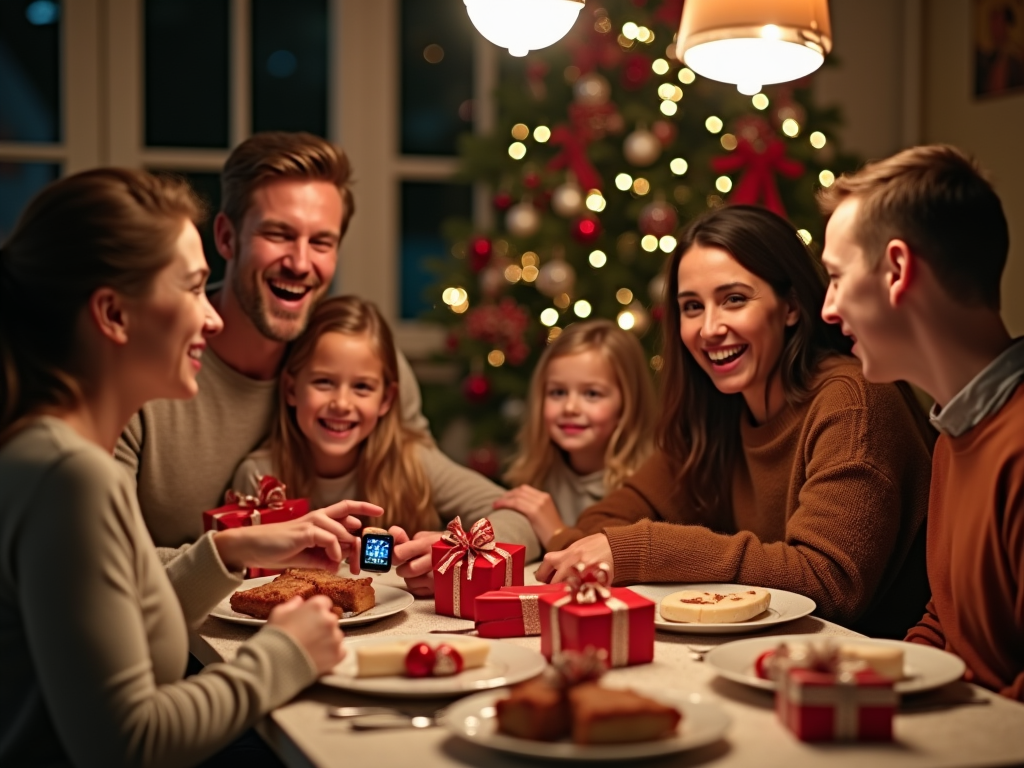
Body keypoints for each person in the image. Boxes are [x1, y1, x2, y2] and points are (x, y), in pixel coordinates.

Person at [0, 169, 383, 767]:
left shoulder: (54, 454)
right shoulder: (70, 477)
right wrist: (286, 651)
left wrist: (230, 550)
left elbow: (119, 628)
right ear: (113, 315)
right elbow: (128, 744)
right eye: (193, 289)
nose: (213, 318)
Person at [537, 205, 935, 638]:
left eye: (734, 299)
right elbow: (607, 523)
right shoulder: (718, 410)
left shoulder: (852, 402)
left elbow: (829, 584)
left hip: (872, 674)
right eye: (692, 306)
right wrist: (582, 544)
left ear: (791, 307)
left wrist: (643, 549)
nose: (709, 328)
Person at [114, 132, 428, 554]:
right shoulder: (139, 374)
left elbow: (434, 483)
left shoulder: (357, 359)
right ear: (226, 238)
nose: (300, 263)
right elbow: (103, 562)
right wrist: (234, 554)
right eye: (279, 234)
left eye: (321, 242)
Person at [818, 144, 1023, 699]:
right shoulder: (955, 431)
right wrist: (870, 689)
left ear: (898, 270)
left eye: (836, 277)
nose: (828, 309)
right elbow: (951, 623)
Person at [231, 295, 537, 594]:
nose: (341, 403)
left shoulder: (412, 460)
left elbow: (522, 520)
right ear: (291, 389)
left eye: (362, 387)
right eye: (323, 382)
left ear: (386, 400)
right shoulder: (260, 477)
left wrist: (453, 552)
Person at [493, 319, 656, 549]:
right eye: (558, 392)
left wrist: (556, 531)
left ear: (628, 404)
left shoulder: (645, 489)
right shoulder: (539, 476)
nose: (570, 408)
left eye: (591, 394)